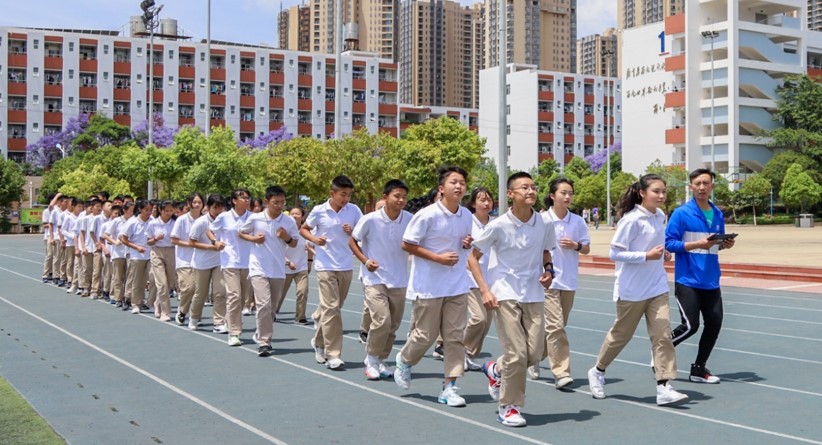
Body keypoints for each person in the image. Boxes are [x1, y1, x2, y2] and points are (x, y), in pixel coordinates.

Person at [586, 174, 688, 407]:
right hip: (631, 290)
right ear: (642, 193)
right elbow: (615, 253)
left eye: (663, 191)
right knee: (621, 336)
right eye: (656, 191)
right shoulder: (631, 220)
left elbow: (656, 245)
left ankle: (663, 386)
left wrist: (664, 253)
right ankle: (598, 370)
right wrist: (645, 256)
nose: (661, 196)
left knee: (662, 336)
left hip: (657, 287)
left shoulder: (660, 216)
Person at [469, 172, 555, 427]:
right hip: (505, 292)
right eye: (524, 187)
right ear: (511, 194)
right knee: (517, 353)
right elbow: (472, 258)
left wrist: (549, 271)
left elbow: (546, 251)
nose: (531, 191)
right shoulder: (498, 225)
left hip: (534, 293)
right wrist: (485, 290)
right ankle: (509, 407)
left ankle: (496, 369)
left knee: (535, 352)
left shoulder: (544, 223)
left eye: (533, 187)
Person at [393, 166, 474, 407]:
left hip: (457, 285)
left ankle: (450, 387)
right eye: (453, 182)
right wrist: (437, 258)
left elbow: (464, 244)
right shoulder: (427, 215)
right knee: (424, 335)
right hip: (429, 285)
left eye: (462, 182)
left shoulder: (466, 215)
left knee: (454, 337)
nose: (458, 186)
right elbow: (407, 244)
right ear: (441, 188)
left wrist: (466, 242)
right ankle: (405, 360)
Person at [665, 168, 735, 384]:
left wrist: (724, 244)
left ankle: (698, 369)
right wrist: (697, 244)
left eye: (706, 183)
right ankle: (661, 349)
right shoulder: (681, 213)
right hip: (688, 279)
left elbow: (712, 246)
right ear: (691, 187)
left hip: (711, 280)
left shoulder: (718, 214)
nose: (702, 187)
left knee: (714, 324)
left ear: (712, 185)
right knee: (690, 326)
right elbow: (668, 243)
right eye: (698, 183)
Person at [529, 178, 590, 389]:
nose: (567, 196)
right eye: (563, 192)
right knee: (555, 326)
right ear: (552, 196)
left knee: (557, 327)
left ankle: (534, 356)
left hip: (569, 281)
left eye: (570, 193)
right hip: (548, 281)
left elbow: (586, 249)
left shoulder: (578, 221)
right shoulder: (541, 220)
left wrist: (576, 245)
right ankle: (561, 372)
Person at [349, 180, 412, 380]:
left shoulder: (410, 219)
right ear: (385, 197)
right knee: (382, 320)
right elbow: (352, 241)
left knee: (393, 325)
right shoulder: (370, 219)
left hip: (399, 278)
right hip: (374, 278)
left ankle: (381, 359)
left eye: (404, 197)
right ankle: (371, 360)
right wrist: (366, 261)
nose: (401, 200)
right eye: (397, 196)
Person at [301, 175, 363, 370]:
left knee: (334, 309)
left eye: (349, 195)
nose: (346, 199)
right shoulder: (319, 210)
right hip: (325, 265)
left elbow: (362, 233)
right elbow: (304, 229)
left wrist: (352, 231)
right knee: (331, 308)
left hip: (345, 265)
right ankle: (333, 354)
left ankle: (318, 341)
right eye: (343, 194)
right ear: (332, 193)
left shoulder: (354, 210)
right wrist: (315, 239)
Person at [239, 186, 300, 357]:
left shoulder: (288, 221)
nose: (279, 206)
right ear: (267, 202)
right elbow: (241, 233)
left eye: (282, 202)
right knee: (263, 304)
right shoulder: (256, 218)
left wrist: (286, 237)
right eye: (275, 202)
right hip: (258, 267)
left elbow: (294, 243)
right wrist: (254, 239)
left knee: (271, 308)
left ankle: (260, 331)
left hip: (277, 269)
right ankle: (264, 342)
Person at [211, 189, 252, 347]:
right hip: (230, 262)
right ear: (234, 201)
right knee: (234, 295)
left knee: (242, 298)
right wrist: (215, 241)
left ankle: (229, 320)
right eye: (243, 198)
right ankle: (234, 333)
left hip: (248, 262)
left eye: (248, 198)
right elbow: (210, 230)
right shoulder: (224, 217)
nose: (246, 200)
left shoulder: (253, 218)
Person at [463, 187, 496, 371]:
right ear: (473, 203)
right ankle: (458, 351)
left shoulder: (496, 224)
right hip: (470, 278)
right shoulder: (466, 222)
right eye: (482, 200)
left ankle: (469, 355)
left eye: (489, 199)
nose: (486, 203)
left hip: (491, 278)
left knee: (486, 322)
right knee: (479, 318)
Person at [188, 194, 227, 332]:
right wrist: (211, 247)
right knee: (201, 293)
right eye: (215, 208)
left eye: (220, 208)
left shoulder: (225, 220)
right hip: (202, 263)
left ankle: (219, 322)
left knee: (220, 292)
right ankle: (194, 317)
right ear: (208, 207)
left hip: (219, 261)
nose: (218, 211)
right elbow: (191, 242)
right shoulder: (201, 222)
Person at [277, 206, 314, 324]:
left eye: (297, 214)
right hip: (284, 267)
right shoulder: (284, 231)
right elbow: (277, 250)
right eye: (292, 213)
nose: (294, 216)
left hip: (301, 267)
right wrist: (287, 262)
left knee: (303, 291)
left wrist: (309, 262)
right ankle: (272, 311)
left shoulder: (306, 232)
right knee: (279, 294)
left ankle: (300, 316)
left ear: (302, 217)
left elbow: (310, 246)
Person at [171, 193, 203, 325]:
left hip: (201, 260)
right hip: (184, 259)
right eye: (194, 202)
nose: (197, 205)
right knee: (188, 287)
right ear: (189, 204)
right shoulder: (182, 220)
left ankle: (195, 315)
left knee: (199, 290)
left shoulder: (205, 220)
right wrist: (190, 244)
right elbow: (174, 239)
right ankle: (182, 311)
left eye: (199, 202)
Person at [356, 198, 385, 344]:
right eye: (379, 207)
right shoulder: (369, 222)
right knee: (369, 304)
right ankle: (364, 330)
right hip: (370, 273)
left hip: (392, 275)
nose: (382, 210)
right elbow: (354, 242)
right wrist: (366, 261)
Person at [120, 199, 153, 315]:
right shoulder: (132, 222)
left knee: (153, 278)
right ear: (140, 209)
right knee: (137, 281)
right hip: (136, 256)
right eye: (146, 210)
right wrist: (136, 247)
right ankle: (135, 303)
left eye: (150, 210)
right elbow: (123, 239)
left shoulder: (153, 221)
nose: (149, 212)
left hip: (151, 255)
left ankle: (150, 303)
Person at [147, 200, 176, 321]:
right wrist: (155, 238)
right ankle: (165, 312)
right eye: (166, 211)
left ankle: (157, 302)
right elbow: (148, 241)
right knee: (161, 283)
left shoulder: (175, 223)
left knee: (169, 282)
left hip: (171, 251)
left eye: (171, 211)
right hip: (157, 251)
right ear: (160, 210)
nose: (169, 213)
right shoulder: (153, 223)